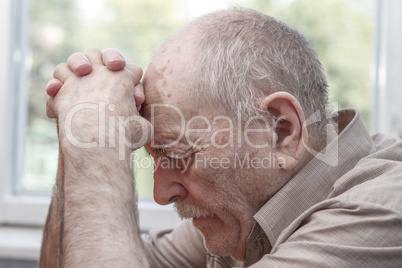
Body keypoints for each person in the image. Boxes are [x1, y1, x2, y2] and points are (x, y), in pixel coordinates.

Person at [40, 8, 402, 268]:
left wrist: (95, 134)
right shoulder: (243, 211)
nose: (161, 194)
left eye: (178, 156)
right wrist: (77, 134)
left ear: (281, 131)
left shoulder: (382, 212)